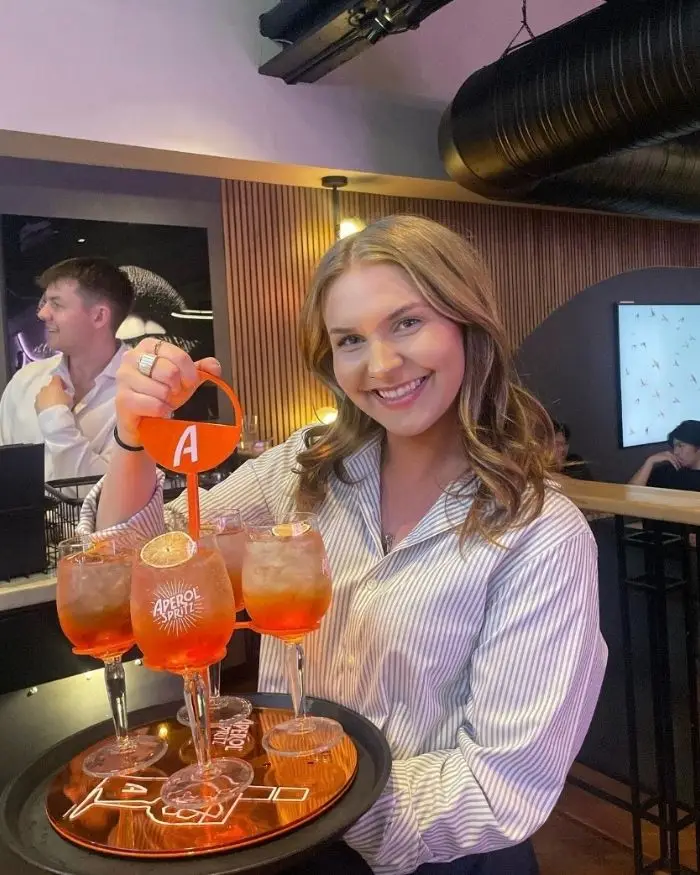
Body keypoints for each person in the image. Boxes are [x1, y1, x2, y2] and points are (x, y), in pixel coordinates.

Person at [79, 216, 607, 875]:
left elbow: (498, 785)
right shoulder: (306, 467)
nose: (381, 364)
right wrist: (135, 437)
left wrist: (298, 794)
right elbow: (141, 560)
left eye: (407, 322)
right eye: (351, 339)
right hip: (292, 832)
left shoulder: (540, 533)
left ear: (467, 324)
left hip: (437, 859)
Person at [0, 257, 134, 481]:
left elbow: (113, 494)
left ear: (99, 316)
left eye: (56, 304)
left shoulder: (141, 394)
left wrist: (55, 418)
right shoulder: (25, 381)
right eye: (44, 302)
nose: (42, 314)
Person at [629, 420, 700, 491]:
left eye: (680, 446)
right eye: (674, 446)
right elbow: (630, 494)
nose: (675, 452)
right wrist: (650, 461)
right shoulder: (667, 472)